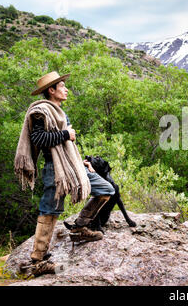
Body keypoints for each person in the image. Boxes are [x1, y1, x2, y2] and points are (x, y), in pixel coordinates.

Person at [14, 71, 115, 277]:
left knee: (106, 189)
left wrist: (83, 162)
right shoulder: (41, 111)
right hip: (55, 169)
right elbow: (40, 139)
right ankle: (38, 260)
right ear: (51, 90)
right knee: (50, 210)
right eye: (62, 86)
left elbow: (66, 144)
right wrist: (66, 134)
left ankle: (79, 228)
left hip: (72, 165)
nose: (66, 89)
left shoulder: (58, 111)